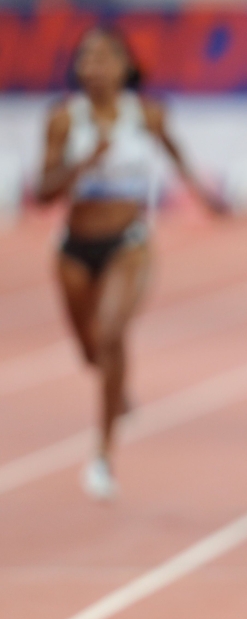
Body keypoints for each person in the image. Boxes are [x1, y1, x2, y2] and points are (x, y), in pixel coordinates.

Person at [37, 26, 222, 500]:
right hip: (74, 247)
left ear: (124, 67)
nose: (95, 66)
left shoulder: (148, 113)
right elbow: (43, 191)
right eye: (87, 58)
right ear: (78, 68)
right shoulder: (63, 118)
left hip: (128, 241)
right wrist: (83, 162)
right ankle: (114, 387)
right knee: (90, 350)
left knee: (111, 331)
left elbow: (175, 153)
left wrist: (203, 195)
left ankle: (102, 454)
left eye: (105, 57)